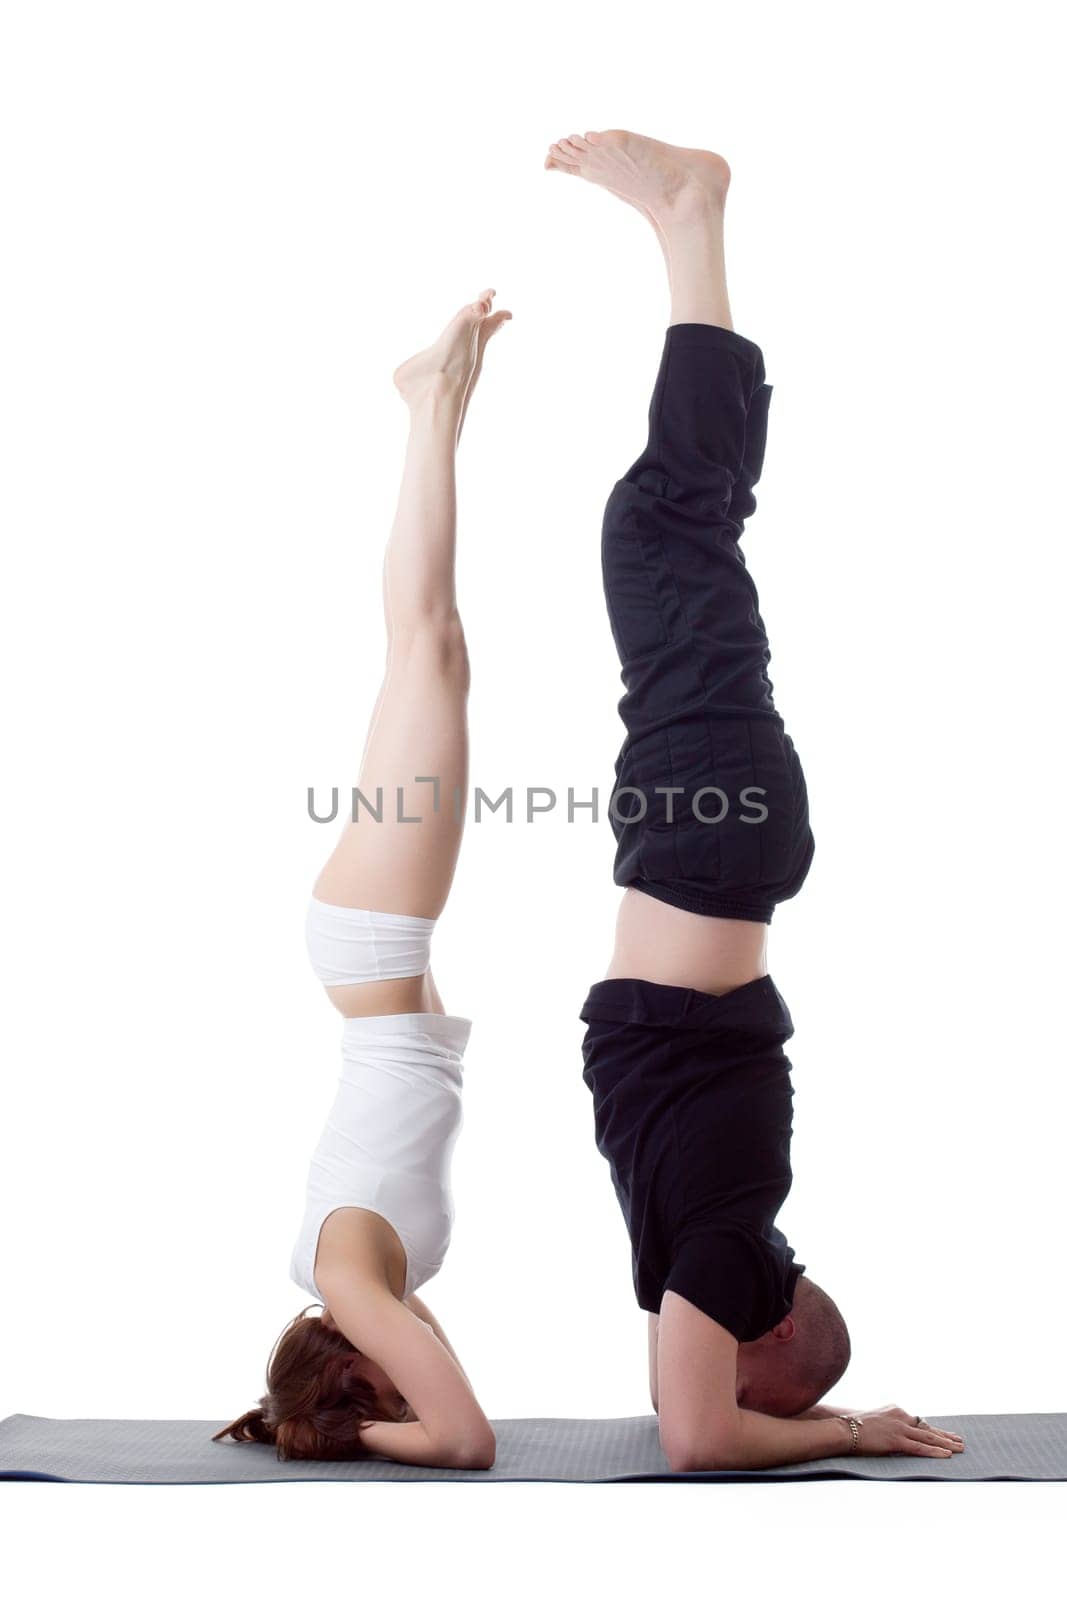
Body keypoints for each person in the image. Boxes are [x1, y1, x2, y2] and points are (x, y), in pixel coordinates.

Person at [547, 129, 965, 1472]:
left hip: (704, 840)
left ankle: (686, 231)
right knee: (668, 525)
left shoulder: (718, 1236)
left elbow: (699, 1407)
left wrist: (810, 1414)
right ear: (769, 1339)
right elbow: (692, 1440)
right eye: (758, 1386)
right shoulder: (729, 1248)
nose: (710, 1369)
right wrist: (842, 1429)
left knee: (670, 527)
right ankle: (690, 219)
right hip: (705, 833)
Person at [213, 290, 511, 1467]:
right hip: (371, 953)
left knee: (427, 643)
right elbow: (439, 1397)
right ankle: (432, 406)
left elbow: (467, 1438)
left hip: (374, 945)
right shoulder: (352, 1282)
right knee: (432, 651)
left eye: (375, 1397)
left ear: (352, 1372)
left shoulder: (351, 1283)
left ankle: (424, 404)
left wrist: (373, 1434)